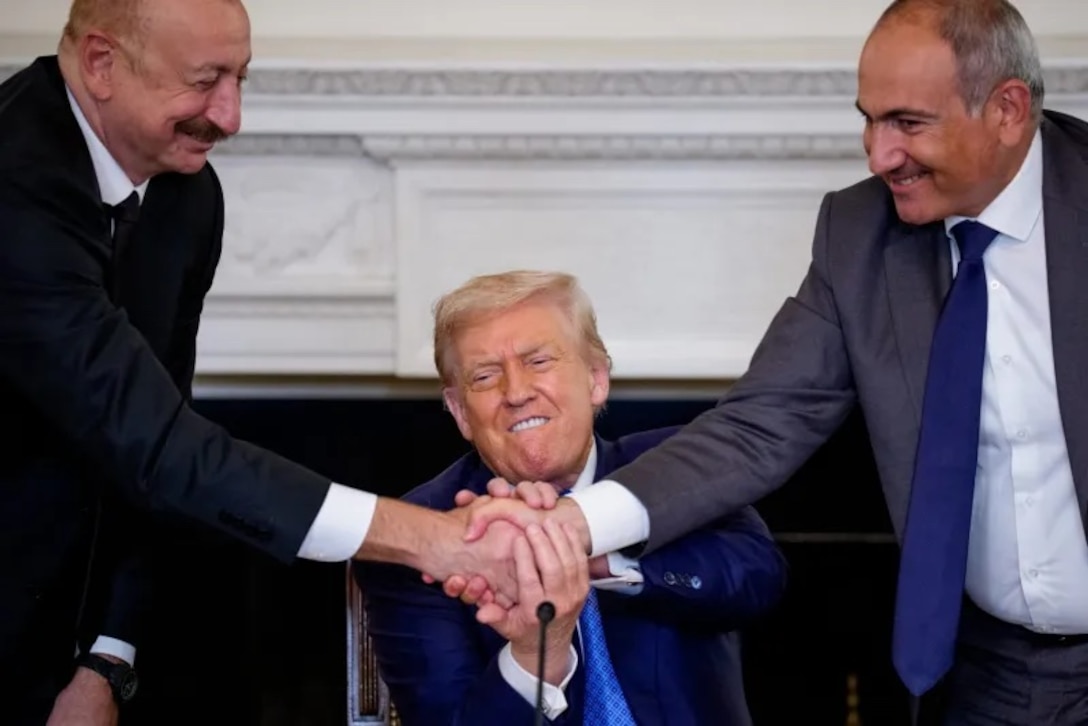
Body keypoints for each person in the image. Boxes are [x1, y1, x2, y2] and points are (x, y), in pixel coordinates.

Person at [462, 1, 1088, 724]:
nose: (878, 154)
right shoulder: (860, 235)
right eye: (869, 119)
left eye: (907, 123)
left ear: (1008, 110)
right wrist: (572, 526)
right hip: (989, 673)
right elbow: (759, 425)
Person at [0, 1, 518, 722]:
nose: (232, 116)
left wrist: (106, 662)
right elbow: (163, 448)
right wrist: (426, 539)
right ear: (100, 64)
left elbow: (153, 442)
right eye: (205, 80)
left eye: (241, 77)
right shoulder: (12, 184)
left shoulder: (188, 195)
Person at [354, 271, 787, 725]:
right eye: (485, 376)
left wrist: (600, 555)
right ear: (461, 413)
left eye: (538, 362)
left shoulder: (674, 464)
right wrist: (532, 654)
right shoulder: (419, 534)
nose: (517, 393)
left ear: (596, 379)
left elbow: (758, 579)